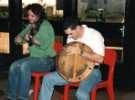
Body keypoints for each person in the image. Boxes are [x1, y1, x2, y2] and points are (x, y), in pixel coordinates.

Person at [39, 17, 105, 100]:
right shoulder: (70, 37)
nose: (69, 37)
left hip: (92, 72)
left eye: (71, 34)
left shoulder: (94, 35)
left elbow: (100, 59)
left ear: (77, 28)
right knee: (47, 79)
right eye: (68, 34)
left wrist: (81, 52)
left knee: (81, 94)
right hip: (73, 71)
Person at [6, 3, 56, 100]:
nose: (29, 17)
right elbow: (20, 38)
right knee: (14, 66)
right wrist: (18, 39)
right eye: (28, 15)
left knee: (25, 66)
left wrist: (30, 40)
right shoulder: (31, 25)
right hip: (34, 58)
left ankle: (22, 97)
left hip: (47, 60)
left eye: (32, 15)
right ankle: (11, 97)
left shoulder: (46, 26)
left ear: (39, 15)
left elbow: (44, 45)